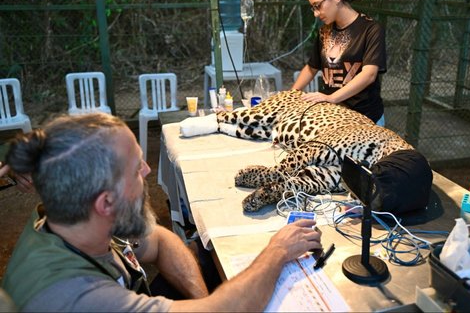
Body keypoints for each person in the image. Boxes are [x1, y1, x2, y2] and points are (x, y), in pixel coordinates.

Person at [2, 113, 322, 312]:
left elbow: (159, 242)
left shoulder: (75, 218)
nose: (147, 170)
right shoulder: (75, 296)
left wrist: (201, 301)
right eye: (134, 168)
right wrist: (277, 251)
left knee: (201, 253)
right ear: (106, 203)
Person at [292, 0, 387, 126]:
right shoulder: (324, 32)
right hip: (332, 116)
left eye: (318, 6)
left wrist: (331, 98)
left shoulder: (370, 29)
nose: (316, 13)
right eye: (312, 8)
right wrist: (292, 94)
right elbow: (311, 68)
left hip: (365, 119)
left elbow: (369, 74)